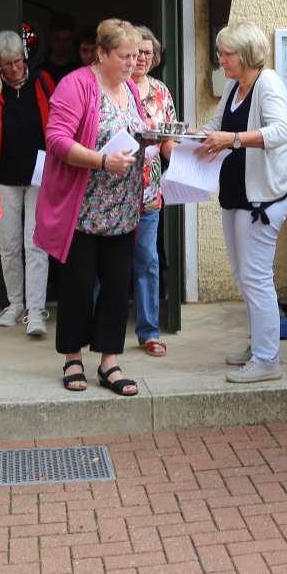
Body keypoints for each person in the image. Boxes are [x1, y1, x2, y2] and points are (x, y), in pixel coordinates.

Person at [34, 19, 147, 396]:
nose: (133, 63)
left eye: (136, 56)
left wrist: (160, 139)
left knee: (117, 287)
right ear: (101, 54)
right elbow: (56, 139)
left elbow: (137, 130)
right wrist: (101, 160)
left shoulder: (129, 87)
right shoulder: (77, 85)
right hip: (81, 210)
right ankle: (72, 358)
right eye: (125, 56)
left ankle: (109, 362)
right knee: (78, 287)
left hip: (122, 209)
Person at [197, 21, 287, 384]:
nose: (220, 59)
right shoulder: (235, 86)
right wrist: (187, 134)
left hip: (263, 201)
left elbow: (281, 132)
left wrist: (232, 139)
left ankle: (268, 359)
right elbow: (215, 125)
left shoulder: (268, 84)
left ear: (247, 54)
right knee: (244, 276)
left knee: (256, 277)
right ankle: (258, 345)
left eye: (226, 53)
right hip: (236, 196)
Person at [0, 29, 55, 337]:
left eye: (19, 61)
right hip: (4, 177)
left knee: (35, 243)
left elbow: (58, 121)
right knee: (8, 245)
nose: (16, 68)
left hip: (39, 174)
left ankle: (36, 311)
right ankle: (15, 304)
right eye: (8, 64)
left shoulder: (43, 81)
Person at [130, 24, 177, 356]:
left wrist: (194, 158)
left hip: (149, 192)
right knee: (108, 265)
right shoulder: (112, 87)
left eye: (148, 53)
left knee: (147, 260)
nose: (143, 58)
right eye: (137, 52)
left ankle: (148, 331)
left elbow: (169, 142)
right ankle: (98, 329)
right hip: (110, 193)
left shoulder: (161, 92)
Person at [36, 14, 80, 80]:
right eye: (57, 39)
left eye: (66, 39)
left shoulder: (77, 71)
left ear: (72, 41)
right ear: (50, 39)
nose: (62, 44)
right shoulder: (40, 71)